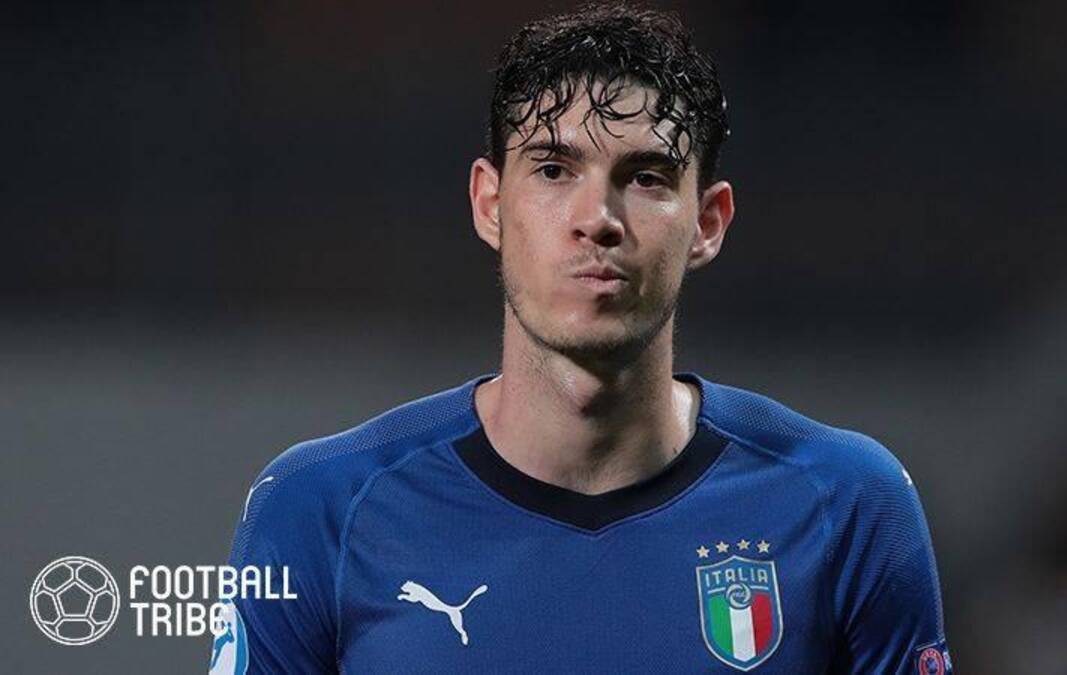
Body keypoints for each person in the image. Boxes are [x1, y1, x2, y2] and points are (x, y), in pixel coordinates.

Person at [210, 3, 951, 673]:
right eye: (554, 169)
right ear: (489, 204)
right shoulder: (319, 510)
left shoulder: (847, 504)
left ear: (708, 223)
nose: (597, 217)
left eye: (647, 177)